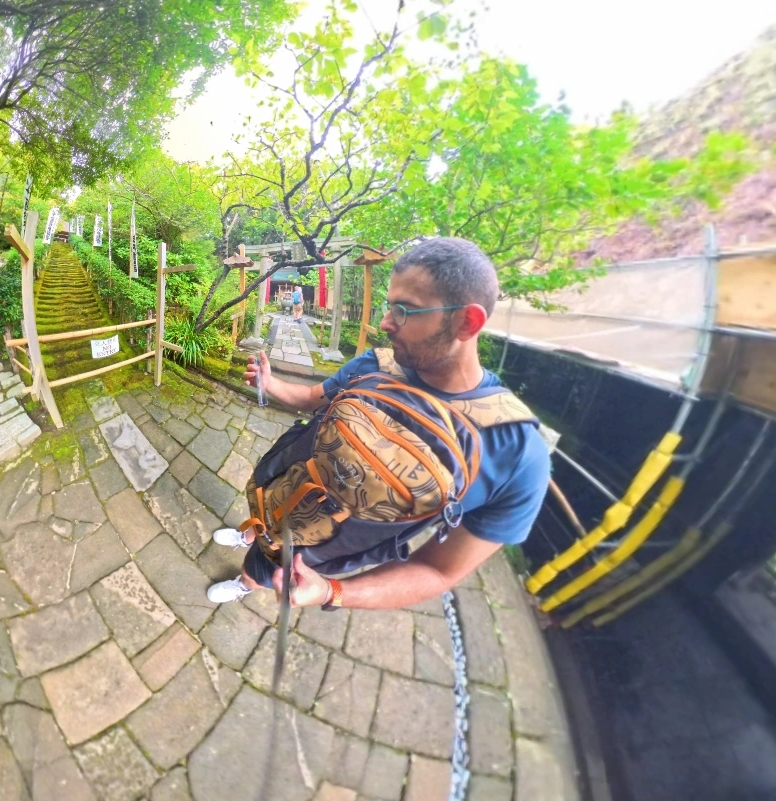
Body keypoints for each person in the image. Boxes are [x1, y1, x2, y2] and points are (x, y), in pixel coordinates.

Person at [205, 237, 550, 610]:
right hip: (281, 490)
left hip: (317, 547)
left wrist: (332, 592)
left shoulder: (518, 457)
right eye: (389, 307)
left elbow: (440, 571)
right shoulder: (377, 364)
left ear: (467, 322)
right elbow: (312, 398)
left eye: (404, 311)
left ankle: (245, 583)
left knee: (263, 569)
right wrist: (271, 384)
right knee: (263, 524)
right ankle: (250, 535)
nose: (385, 323)